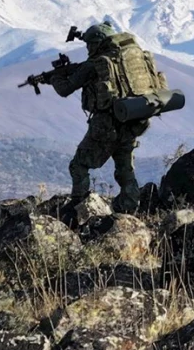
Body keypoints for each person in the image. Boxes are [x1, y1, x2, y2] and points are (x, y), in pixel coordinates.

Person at [42, 22, 151, 212]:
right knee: (125, 168)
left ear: (96, 44)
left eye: (89, 45)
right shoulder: (123, 60)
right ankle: (130, 207)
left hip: (105, 124)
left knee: (78, 165)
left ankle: (80, 209)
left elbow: (65, 89)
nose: (88, 49)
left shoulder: (96, 64)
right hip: (131, 119)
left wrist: (54, 78)